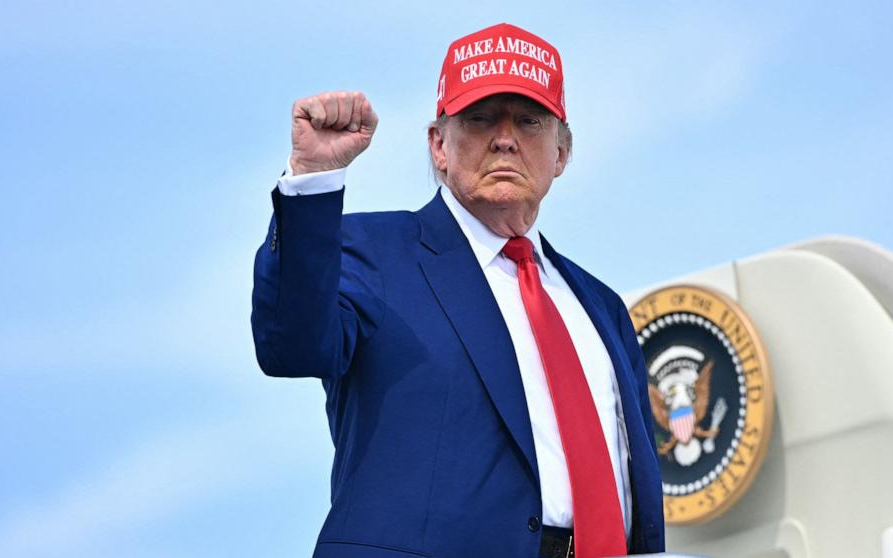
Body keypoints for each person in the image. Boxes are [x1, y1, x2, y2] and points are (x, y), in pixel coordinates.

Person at [252, 23, 664, 558]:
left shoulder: (601, 308)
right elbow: (292, 344)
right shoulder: (373, 252)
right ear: (438, 145)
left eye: (529, 120)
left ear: (562, 153)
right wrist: (311, 178)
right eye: (480, 118)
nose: (505, 137)